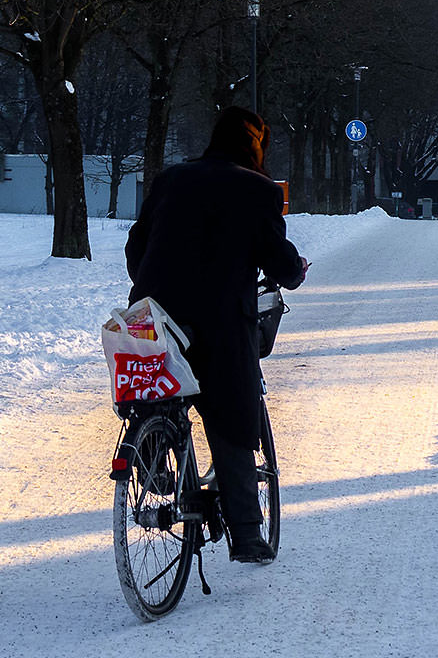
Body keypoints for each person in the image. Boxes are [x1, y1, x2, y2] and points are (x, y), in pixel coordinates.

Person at [124, 106, 307, 565]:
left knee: (154, 391)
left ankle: (154, 455)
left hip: (155, 315)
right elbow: (276, 257)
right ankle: (246, 534)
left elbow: (136, 244)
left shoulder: (171, 179)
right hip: (221, 322)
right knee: (232, 417)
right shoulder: (258, 190)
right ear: (255, 146)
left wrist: (151, 284)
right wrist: (294, 272)